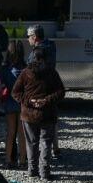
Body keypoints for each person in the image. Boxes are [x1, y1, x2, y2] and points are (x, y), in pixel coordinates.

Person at [12, 45, 66, 180]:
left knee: (31, 143)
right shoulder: (52, 72)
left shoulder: (25, 73)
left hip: (29, 115)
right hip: (47, 113)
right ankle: (45, 172)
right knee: (46, 143)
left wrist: (30, 101)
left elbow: (15, 92)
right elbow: (61, 92)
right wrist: (46, 100)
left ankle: (32, 170)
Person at [26, 25, 59, 157]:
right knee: (52, 120)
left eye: (28, 36)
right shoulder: (52, 46)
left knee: (37, 123)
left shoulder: (36, 53)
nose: (28, 39)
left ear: (35, 37)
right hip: (51, 86)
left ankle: (38, 156)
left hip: (38, 89)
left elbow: (30, 70)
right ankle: (55, 148)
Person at [0, 40, 27, 169]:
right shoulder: (26, 69)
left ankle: (8, 159)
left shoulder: (5, 69)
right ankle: (22, 160)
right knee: (22, 134)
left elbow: (1, 86)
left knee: (10, 132)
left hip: (9, 102)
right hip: (22, 103)